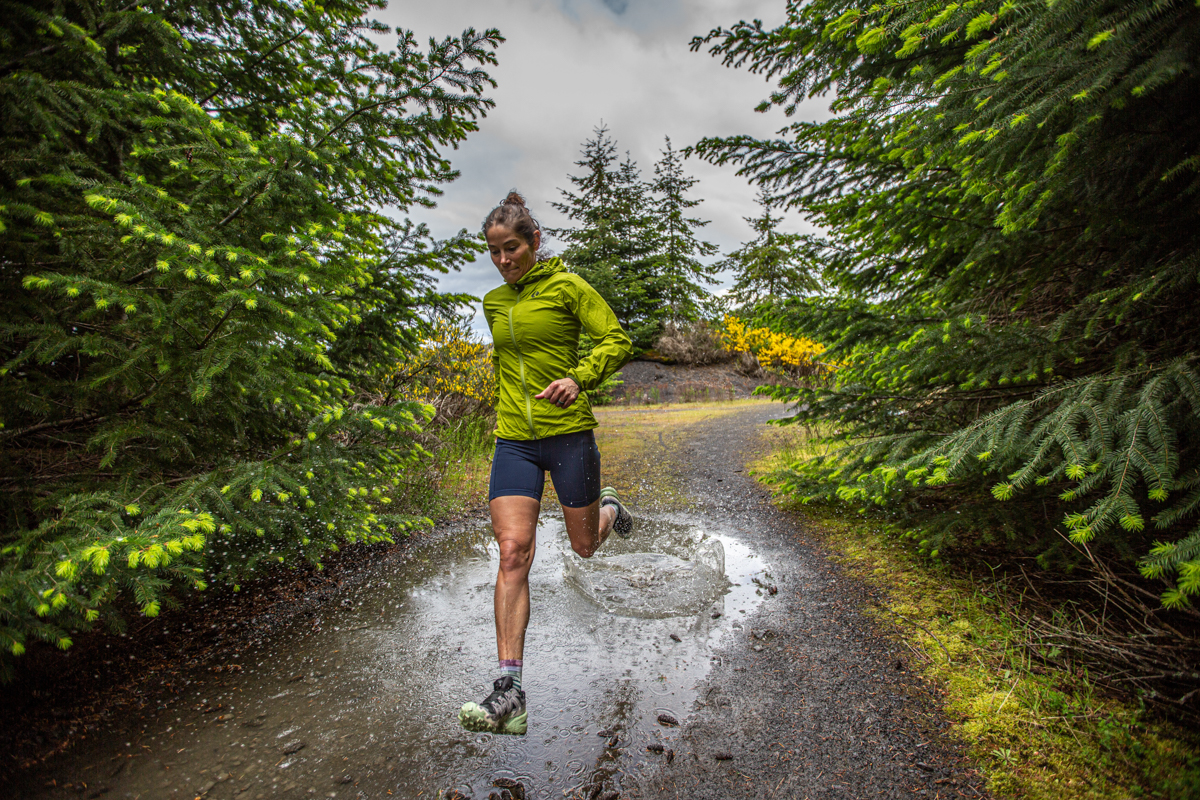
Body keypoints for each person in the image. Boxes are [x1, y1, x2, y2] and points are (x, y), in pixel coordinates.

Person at [458, 192, 636, 736]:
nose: (504, 260)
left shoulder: (568, 287)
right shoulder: (493, 302)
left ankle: (609, 508)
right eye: (494, 252)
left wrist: (578, 377)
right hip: (514, 439)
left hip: (568, 435)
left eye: (512, 248)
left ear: (534, 241)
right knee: (513, 552)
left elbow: (617, 339)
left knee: (584, 546)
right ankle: (509, 690)